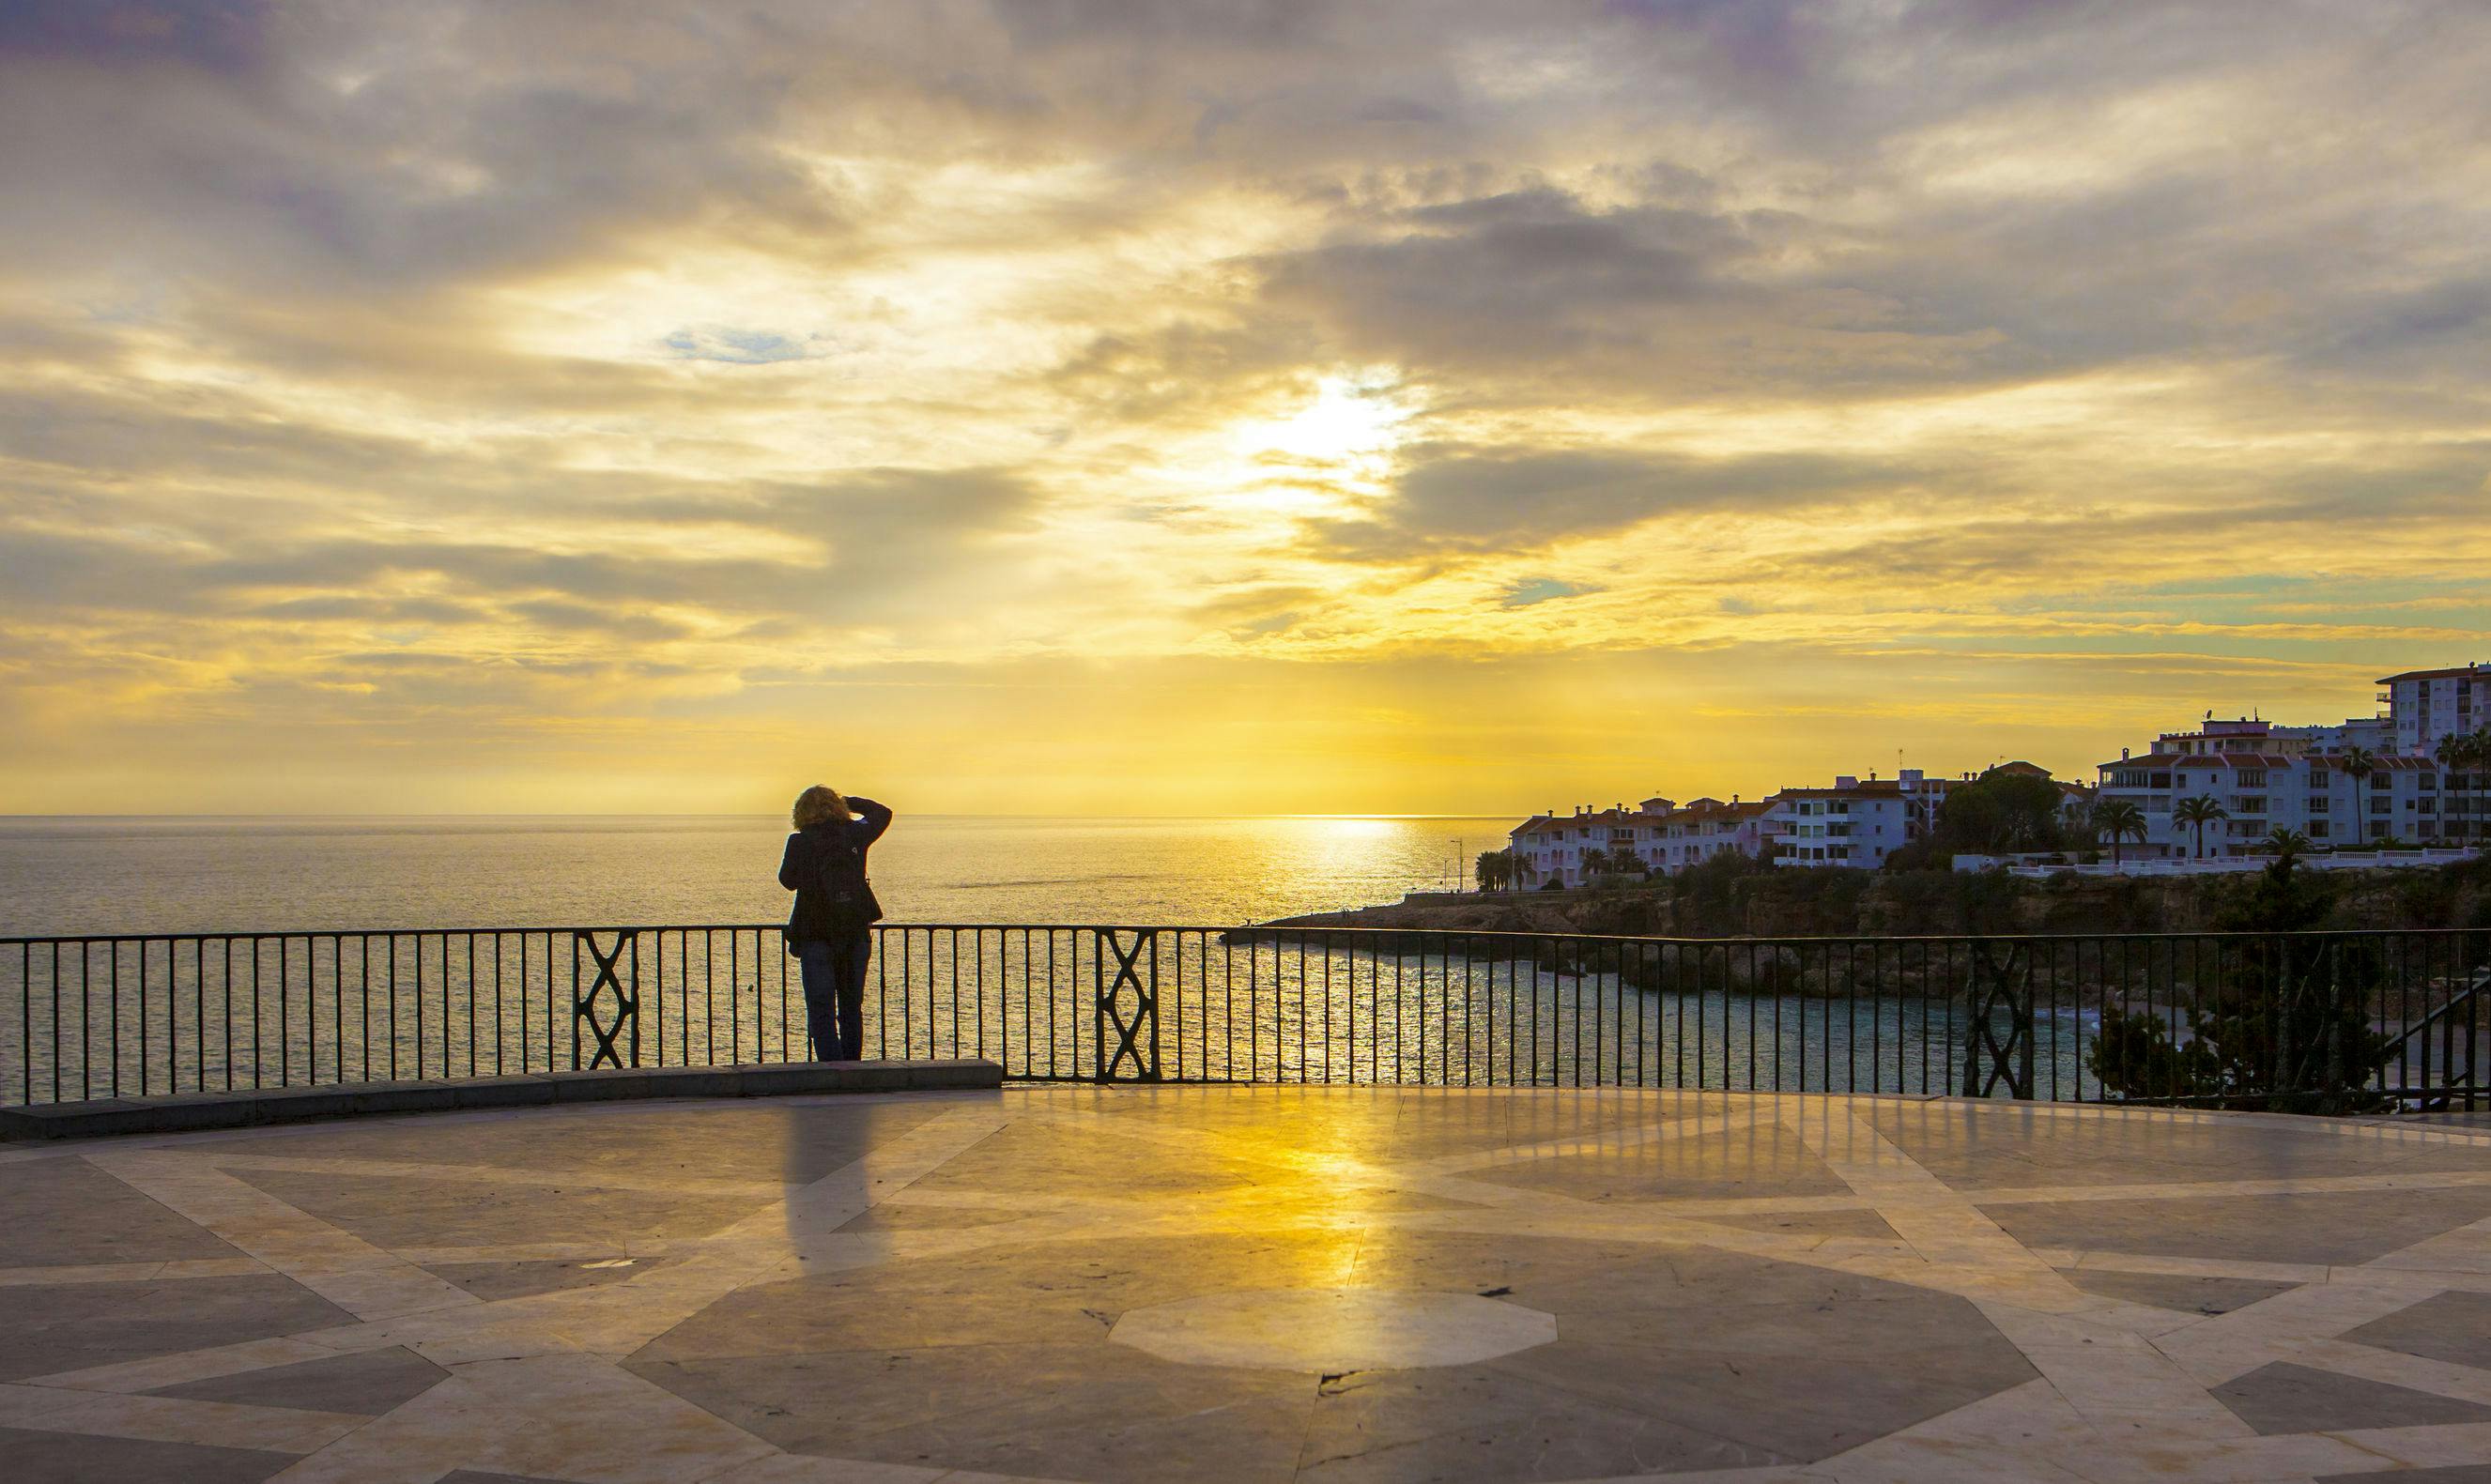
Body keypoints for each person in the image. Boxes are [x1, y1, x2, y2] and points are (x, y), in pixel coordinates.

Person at [778, 786, 893, 1062]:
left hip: (815, 933)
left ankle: (831, 1069)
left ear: (802, 813)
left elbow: (787, 880)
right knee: (851, 1006)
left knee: (821, 1007)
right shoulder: (855, 833)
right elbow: (882, 812)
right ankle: (852, 1068)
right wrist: (847, 802)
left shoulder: (800, 841)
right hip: (854, 931)